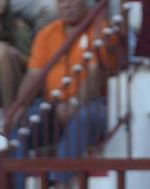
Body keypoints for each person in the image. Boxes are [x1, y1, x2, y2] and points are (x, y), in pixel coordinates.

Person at [21, 0, 118, 165]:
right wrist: (21, 105)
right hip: (52, 104)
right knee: (23, 123)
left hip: (94, 103)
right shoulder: (47, 33)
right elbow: (33, 75)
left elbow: (95, 76)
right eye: (61, 1)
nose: (66, 5)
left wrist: (75, 103)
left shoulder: (101, 30)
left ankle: (61, 182)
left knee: (83, 118)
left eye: (72, 0)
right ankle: (16, 187)